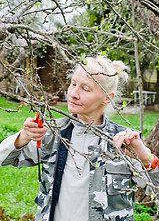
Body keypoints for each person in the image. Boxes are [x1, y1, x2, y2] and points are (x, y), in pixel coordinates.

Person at [0, 56, 159, 221]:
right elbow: (3, 158)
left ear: (107, 97)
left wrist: (145, 157)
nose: (74, 94)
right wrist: (24, 136)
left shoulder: (124, 142)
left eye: (85, 88)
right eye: (73, 84)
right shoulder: (53, 133)